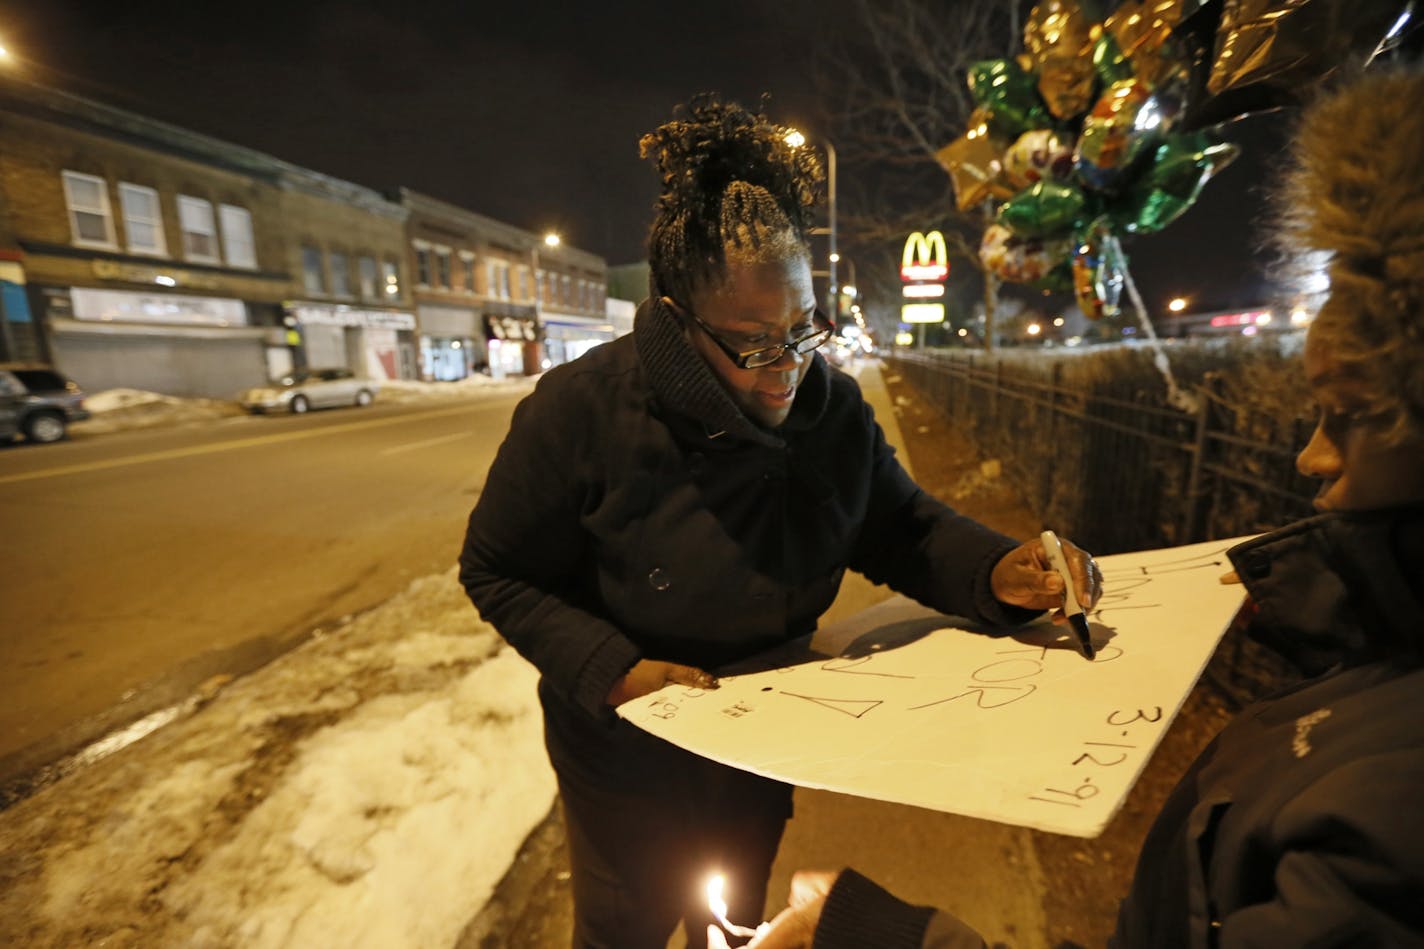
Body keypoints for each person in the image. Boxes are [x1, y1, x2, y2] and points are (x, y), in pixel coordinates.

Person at [722, 65, 1424, 949]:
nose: (1309, 455)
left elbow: (894, 520)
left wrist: (872, 935)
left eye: (1352, 416)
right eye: (754, 340)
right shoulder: (1381, 669)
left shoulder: (1396, 806)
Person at [458, 94, 1100, 949]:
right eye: (755, 343)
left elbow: (900, 524)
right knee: (623, 928)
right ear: (680, 322)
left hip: (757, 754)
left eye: (803, 330)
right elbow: (497, 570)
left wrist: (994, 570)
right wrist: (608, 669)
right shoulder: (579, 413)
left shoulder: (829, 412)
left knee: (734, 919)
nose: (786, 371)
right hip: (623, 766)